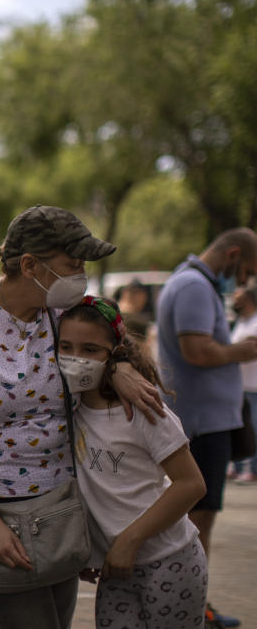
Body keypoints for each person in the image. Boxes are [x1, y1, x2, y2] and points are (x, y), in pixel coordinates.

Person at [0, 205, 164, 629]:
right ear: (30, 265)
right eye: (72, 265)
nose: (80, 276)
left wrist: (118, 369)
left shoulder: (60, 311)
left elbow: (104, 340)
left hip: (62, 508)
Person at [58, 296, 207, 629]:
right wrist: (93, 547)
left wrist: (129, 540)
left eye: (90, 350)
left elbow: (192, 484)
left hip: (170, 561)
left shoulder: (142, 409)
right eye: (65, 346)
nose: (75, 359)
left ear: (116, 353)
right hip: (115, 568)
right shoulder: (71, 412)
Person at [155, 228, 257, 628]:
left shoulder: (189, 281)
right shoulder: (194, 286)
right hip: (201, 425)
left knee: (198, 519)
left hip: (206, 421)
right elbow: (196, 351)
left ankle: (195, 604)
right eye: (246, 270)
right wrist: (242, 351)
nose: (245, 282)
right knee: (198, 523)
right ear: (232, 254)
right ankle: (190, 609)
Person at [228, 277, 257, 483]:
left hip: (254, 384)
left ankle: (253, 469)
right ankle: (237, 466)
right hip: (239, 383)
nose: (234, 300)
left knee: (254, 426)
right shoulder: (240, 322)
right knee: (238, 424)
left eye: (238, 296)